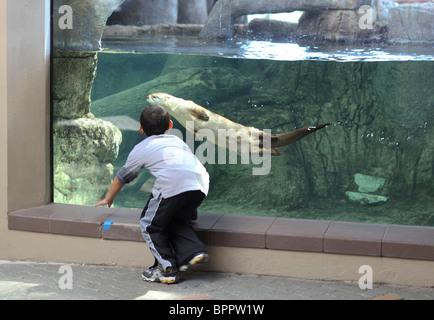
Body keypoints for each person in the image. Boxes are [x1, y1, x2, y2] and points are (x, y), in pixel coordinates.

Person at [95, 105, 210, 284]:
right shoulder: (178, 141)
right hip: (200, 184)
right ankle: (194, 251)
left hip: (173, 187)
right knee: (173, 219)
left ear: (141, 129)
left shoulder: (141, 148)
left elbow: (122, 177)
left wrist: (109, 198)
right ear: (170, 125)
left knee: (149, 225)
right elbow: (185, 168)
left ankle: (167, 269)